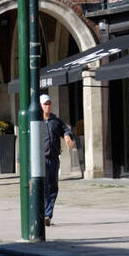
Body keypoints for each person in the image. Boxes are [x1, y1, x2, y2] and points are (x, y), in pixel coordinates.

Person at [39, 93, 74, 227]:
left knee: (52, 186)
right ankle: (40, 213)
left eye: (49, 103)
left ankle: (48, 215)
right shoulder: (36, 121)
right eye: (45, 104)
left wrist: (67, 136)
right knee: (41, 186)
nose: (47, 106)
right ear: (40, 106)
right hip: (40, 159)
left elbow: (66, 130)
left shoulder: (56, 121)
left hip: (53, 159)